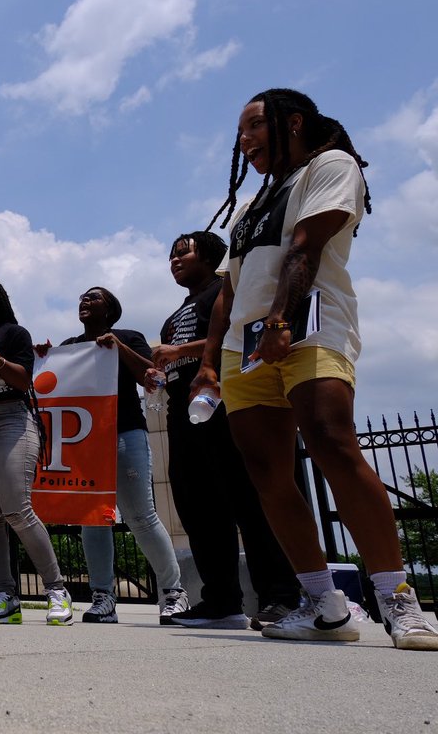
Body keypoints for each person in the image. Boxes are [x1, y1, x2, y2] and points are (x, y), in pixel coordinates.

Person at [193, 88, 438, 649]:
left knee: (331, 441)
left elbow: (306, 247)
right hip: (243, 345)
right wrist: (209, 362)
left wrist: (281, 319)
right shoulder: (255, 204)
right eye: (240, 133)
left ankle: (399, 599)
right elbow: (229, 290)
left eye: (254, 126)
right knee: (266, 473)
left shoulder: (330, 165)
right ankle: (325, 605)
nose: (244, 140)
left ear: (293, 122)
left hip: (310, 323)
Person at [147, 232, 299, 630]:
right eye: (171, 255)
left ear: (211, 255)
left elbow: (235, 336)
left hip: (224, 404)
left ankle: (280, 597)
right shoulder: (177, 311)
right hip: (184, 412)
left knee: (247, 499)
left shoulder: (223, 291)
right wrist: (160, 369)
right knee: (199, 508)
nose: (174, 260)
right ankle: (221, 601)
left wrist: (180, 352)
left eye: (183, 252)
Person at [59, 287, 187, 624]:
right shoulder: (71, 346)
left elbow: (152, 377)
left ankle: (173, 594)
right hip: (86, 440)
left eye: (94, 297)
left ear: (111, 309)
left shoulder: (128, 336)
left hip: (125, 432)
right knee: (92, 517)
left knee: (140, 515)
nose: (85, 300)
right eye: (82, 297)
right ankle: (103, 598)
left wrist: (119, 347)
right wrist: (45, 357)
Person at [0, 274, 73, 625]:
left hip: (10, 419)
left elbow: (24, 382)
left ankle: (56, 590)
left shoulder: (13, 334)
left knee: (17, 510)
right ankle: (4, 595)